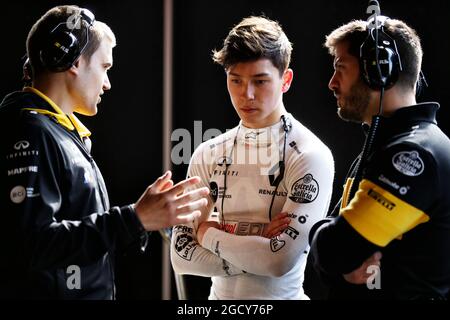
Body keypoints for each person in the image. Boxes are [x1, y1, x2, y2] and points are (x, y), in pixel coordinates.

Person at [0, 5, 209, 299]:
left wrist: (142, 221)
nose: (108, 83)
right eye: (104, 67)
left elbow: (79, 242)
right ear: (73, 61)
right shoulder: (30, 133)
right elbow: (31, 245)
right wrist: (134, 219)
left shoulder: (64, 134)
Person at [170, 16, 334, 300]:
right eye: (236, 80)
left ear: (286, 80)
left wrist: (209, 234)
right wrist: (256, 246)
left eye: (260, 81)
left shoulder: (311, 155)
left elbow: (278, 262)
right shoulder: (207, 152)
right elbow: (181, 257)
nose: (246, 94)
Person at [309, 13, 450, 299]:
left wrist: (333, 248)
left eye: (340, 68)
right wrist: (332, 248)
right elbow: (331, 253)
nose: (332, 83)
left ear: (379, 70)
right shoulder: (384, 146)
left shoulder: (414, 155)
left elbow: (334, 250)